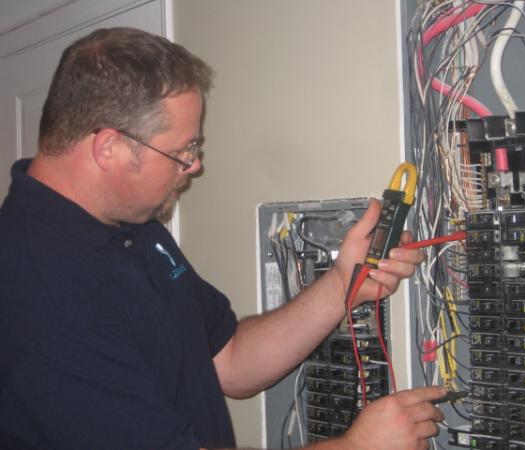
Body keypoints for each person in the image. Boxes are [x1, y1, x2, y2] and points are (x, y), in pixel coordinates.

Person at [0, 27, 445, 450]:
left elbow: (229, 359)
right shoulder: (37, 291)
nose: (194, 166)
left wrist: (342, 284)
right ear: (109, 149)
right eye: (182, 151)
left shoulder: (133, 226)